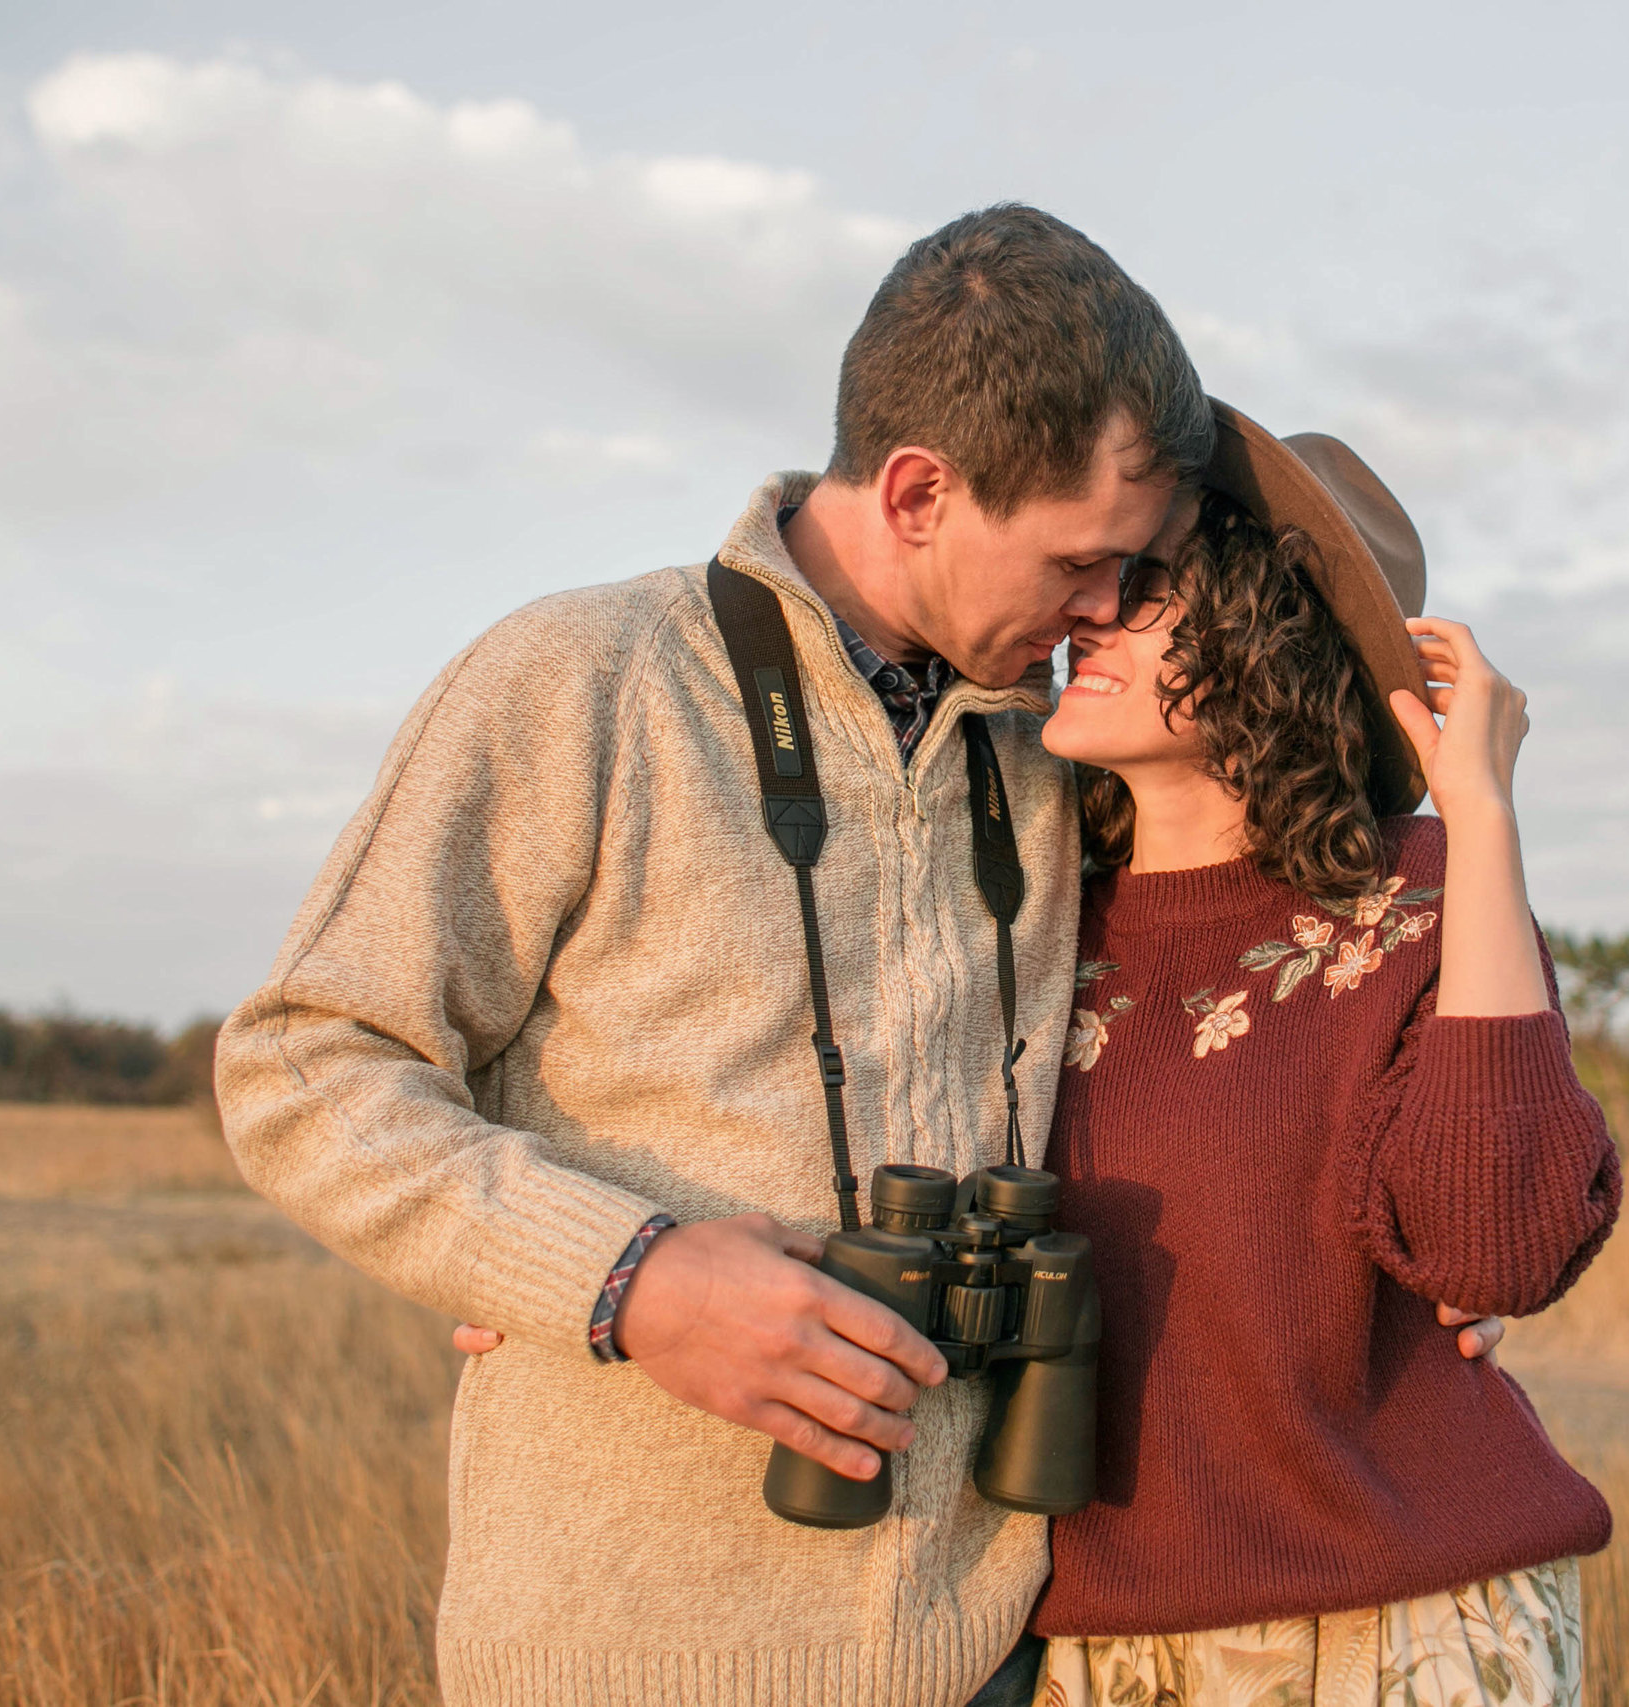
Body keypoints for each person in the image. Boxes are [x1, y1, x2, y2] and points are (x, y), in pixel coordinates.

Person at [213, 203, 1215, 1707]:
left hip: (993, 1650)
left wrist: (1424, 1223)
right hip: (623, 1659)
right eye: (1081, 560)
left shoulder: (1061, 746)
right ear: (923, 490)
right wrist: (628, 1277)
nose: (1107, 612)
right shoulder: (581, 679)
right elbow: (308, 1068)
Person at [1023, 402, 1622, 1706]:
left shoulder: (1419, 898)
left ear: (1265, 634)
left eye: (1147, 590)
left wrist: (1480, 817)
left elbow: (1499, 1250)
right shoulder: (1023, 921)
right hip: (1099, 1652)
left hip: (1405, 1629)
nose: (1085, 616)